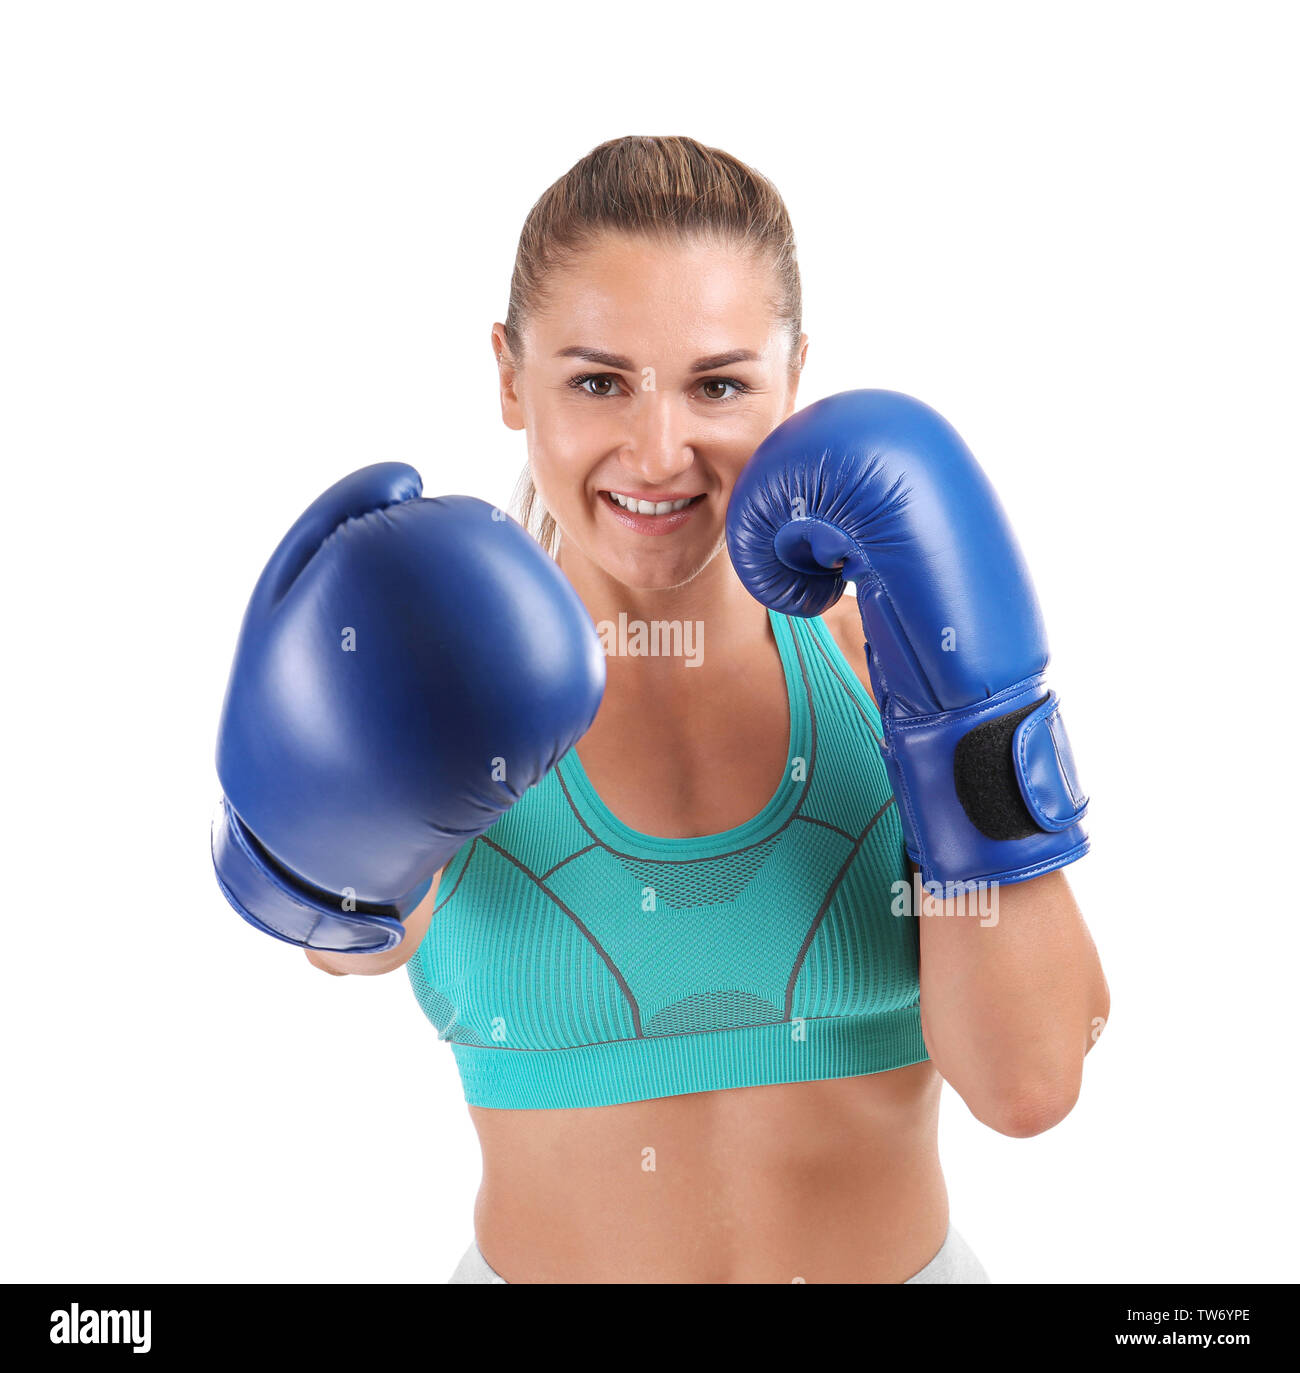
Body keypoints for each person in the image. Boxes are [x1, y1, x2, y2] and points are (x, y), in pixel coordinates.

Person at [211, 135, 1108, 1284]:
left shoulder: (883, 668)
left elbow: (1031, 1080)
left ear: (793, 380)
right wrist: (322, 790)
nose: (658, 449)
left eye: (718, 382)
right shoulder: (450, 684)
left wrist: (970, 723)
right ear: (506, 373)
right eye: (598, 380)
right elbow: (343, 949)